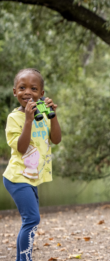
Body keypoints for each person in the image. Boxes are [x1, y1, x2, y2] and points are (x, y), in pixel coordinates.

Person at [3, 68, 62, 261]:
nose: (27, 92)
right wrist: (28, 120)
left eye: (33, 88)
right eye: (22, 88)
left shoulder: (43, 114)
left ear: (42, 94)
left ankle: (24, 257)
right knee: (32, 219)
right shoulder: (14, 118)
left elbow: (56, 139)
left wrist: (53, 115)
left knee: (30, 221)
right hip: (17, 178)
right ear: (14, 92)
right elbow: (21, 147)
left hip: (32, 177)